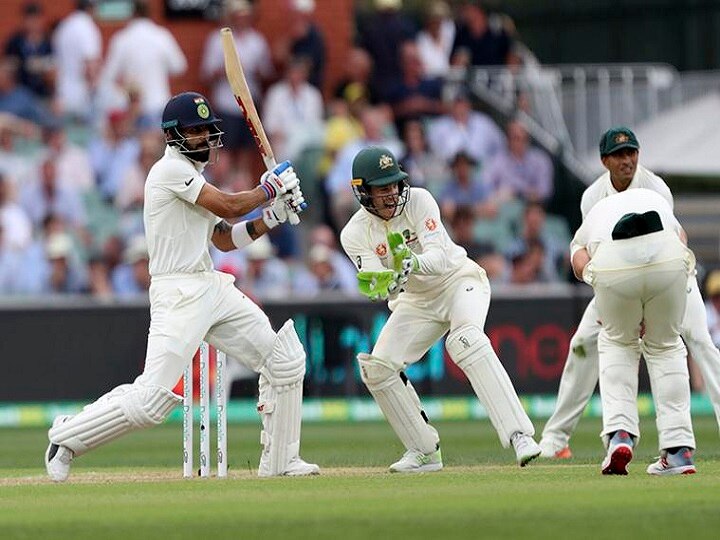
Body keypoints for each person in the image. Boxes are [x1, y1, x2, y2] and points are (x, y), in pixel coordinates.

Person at [44, 91, 319, 481]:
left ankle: (281, 462)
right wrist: (269, 190)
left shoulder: (196, 178)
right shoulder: (170, 170)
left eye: (208, 130)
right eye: (196, 131)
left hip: (210, 284)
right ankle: (67, 437)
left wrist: (272, 216)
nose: (206, 138)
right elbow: (228, 205)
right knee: (151, 401)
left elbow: (224, 239)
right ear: (174, 136)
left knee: (284, 360)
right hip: (177, 293)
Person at [339, 146, 541, 472]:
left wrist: (411, 261)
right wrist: (386, 283)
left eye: (394, 185)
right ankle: (423, 451)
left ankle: (520, 435)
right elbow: (376, 283)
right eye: (382, 188)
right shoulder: (354, 233)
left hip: (459, 282)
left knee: (465, 340)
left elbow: (441, 257)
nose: (391, 194)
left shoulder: (419, 200)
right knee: (378, 368)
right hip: (415, 302)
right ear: (363, 192)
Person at [539, 127, 720, 458]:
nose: (628, 160)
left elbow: (677, 240)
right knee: (582, 343)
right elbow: (589, 253)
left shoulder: (656, 188)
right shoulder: (592, 197)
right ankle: (556, 438)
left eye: (632, 153)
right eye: (620, 155)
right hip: (616, 279)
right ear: (604, 160)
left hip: (673, 277)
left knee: (700, 341)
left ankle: (625, 433)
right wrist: (625, 305)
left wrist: (651, 306)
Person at [571, 187, 697, 475]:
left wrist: (607, 297)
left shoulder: (591, 217)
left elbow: (580, 262)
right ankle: (679, 451)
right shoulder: (655, 197)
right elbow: (680, 238)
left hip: (614, 266)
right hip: (668, 258)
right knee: (666, 346)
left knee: (617, 342)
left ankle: (620, 435)